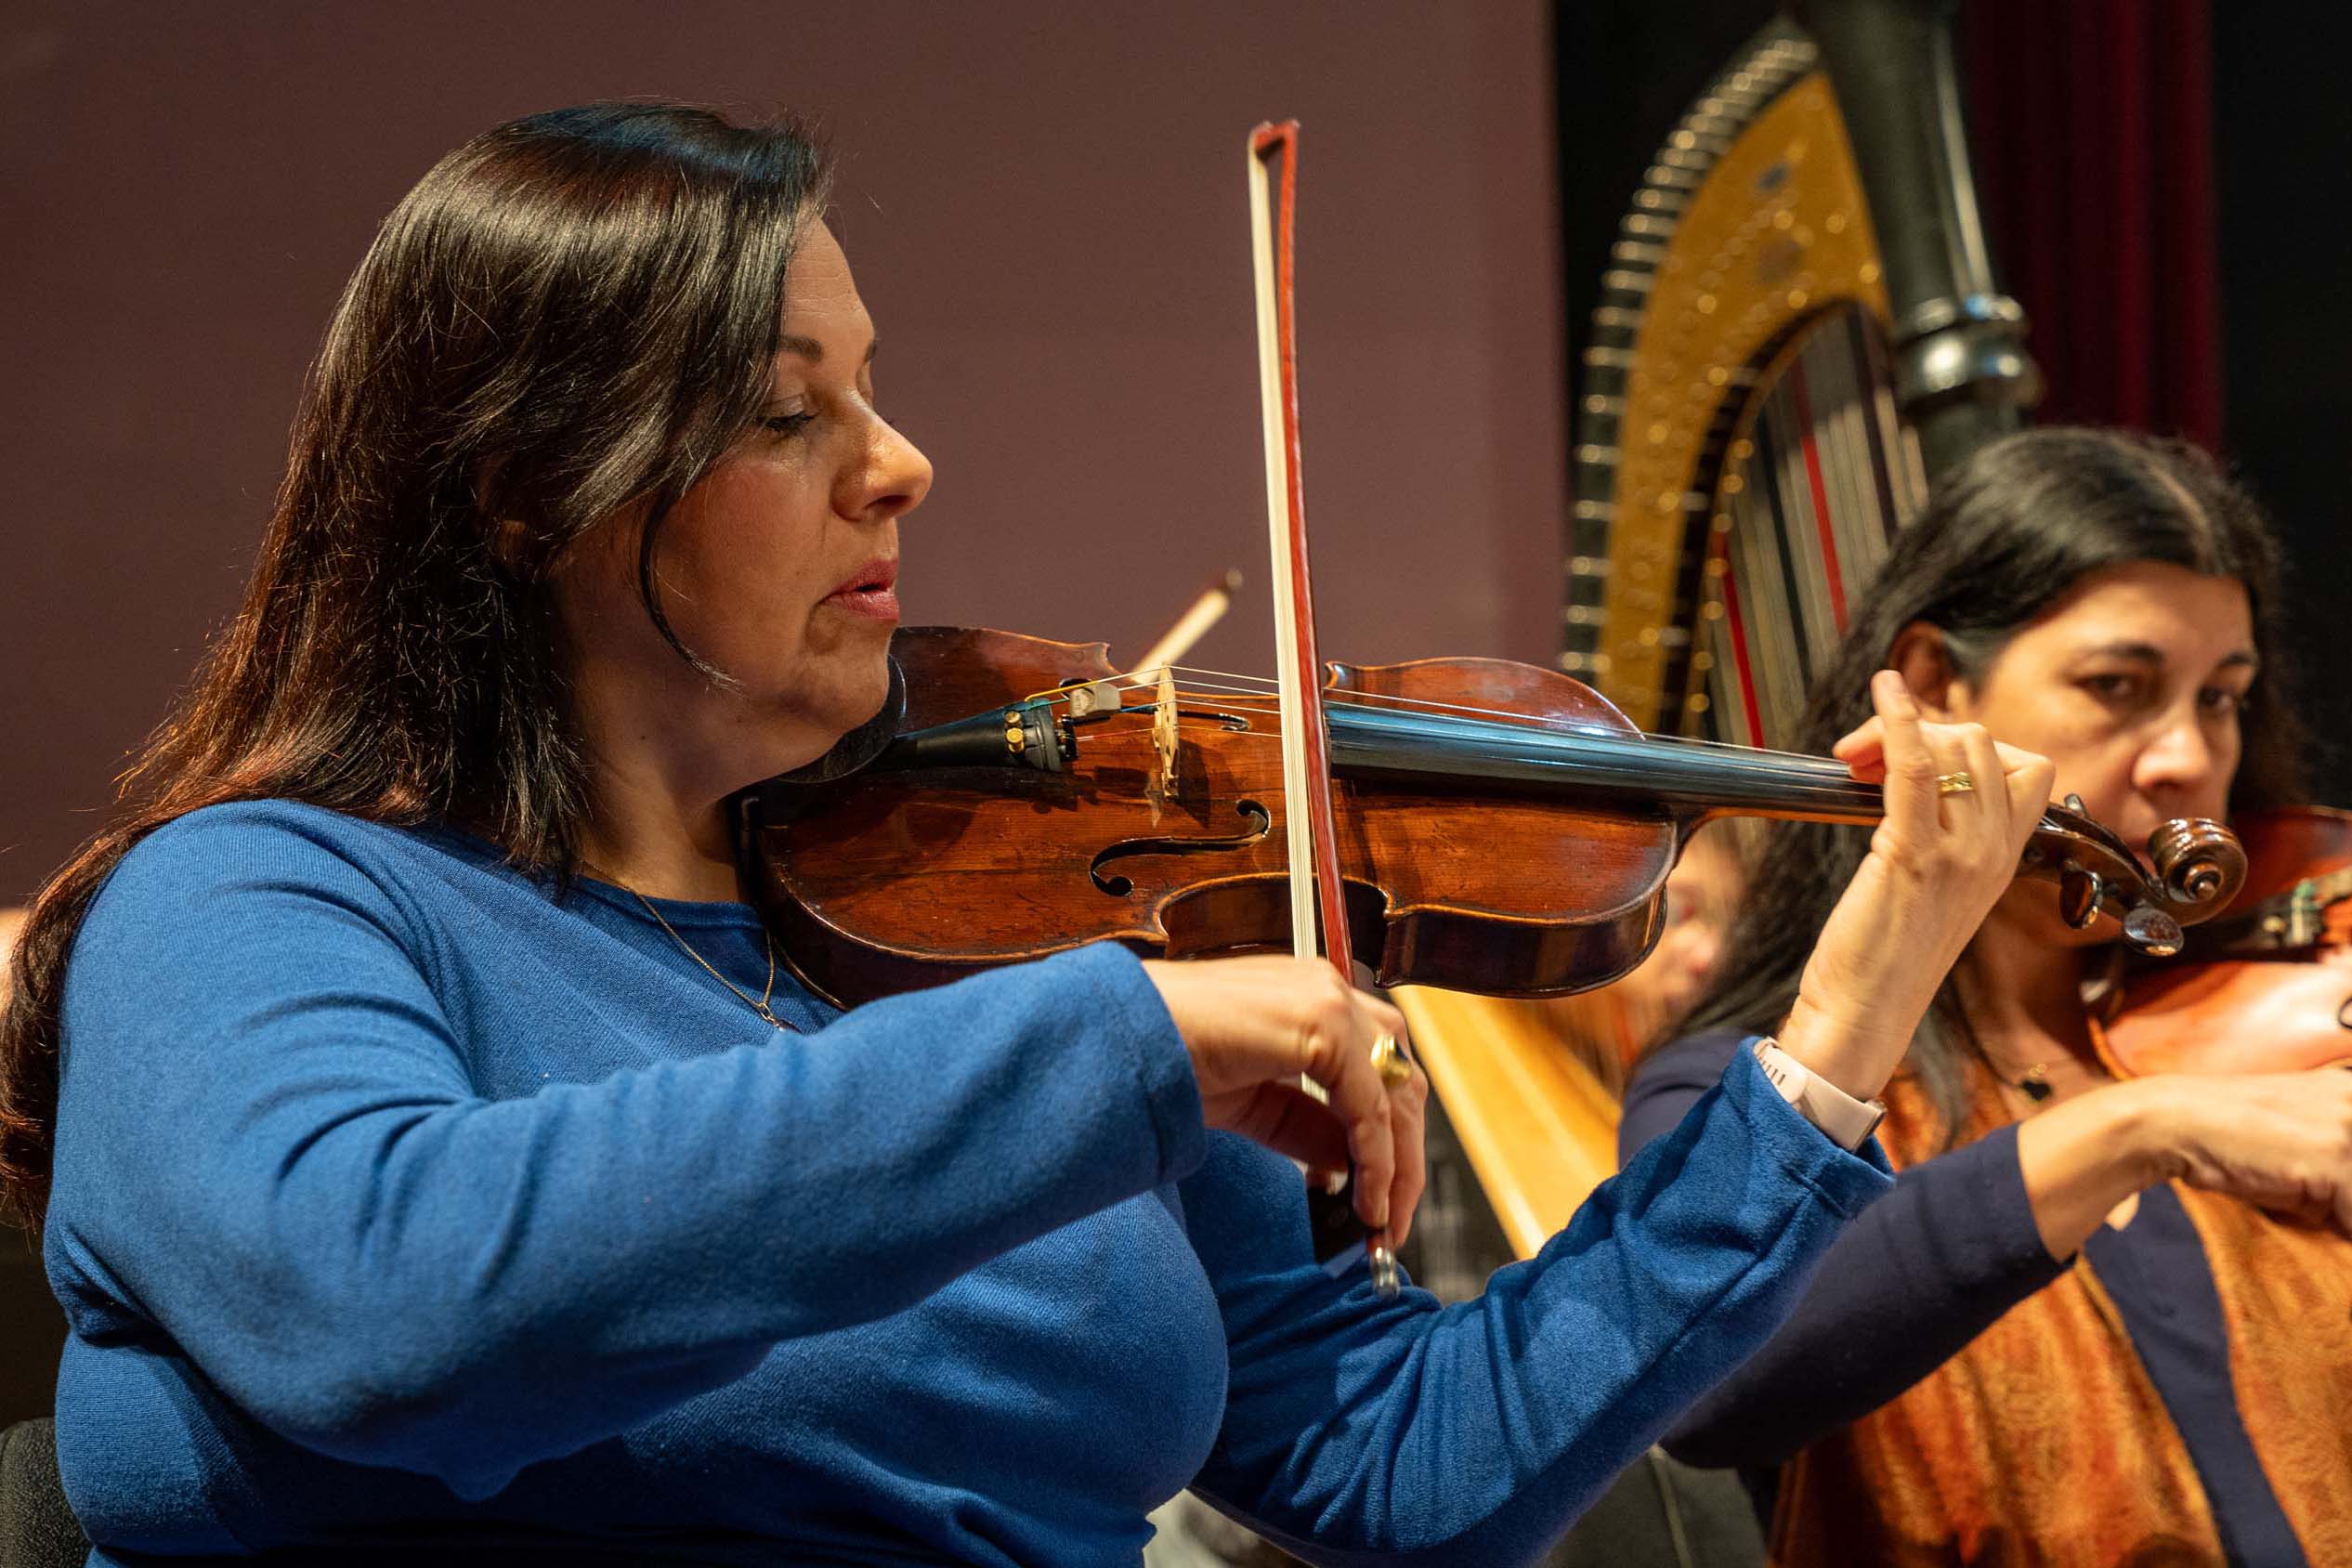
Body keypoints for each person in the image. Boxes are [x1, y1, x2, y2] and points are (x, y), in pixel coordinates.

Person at [2, 102, 2043, 1565]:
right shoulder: (259, 901)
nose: (899, 462)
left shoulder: (965, 934)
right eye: (787, 410)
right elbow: (390, 1302)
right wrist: (1118, 1047)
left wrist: (1841, 1027)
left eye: (872, 389)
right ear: (530, 492)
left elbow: (1408, 1464)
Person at [1623, 427, 2352, 1567]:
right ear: (1933, 686)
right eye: (2118, 686)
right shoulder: (1745, 1091)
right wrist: (2137, 1126)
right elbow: (1705, 1389)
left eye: (2221, 697)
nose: (2186, 758)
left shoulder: (2289, 1007)